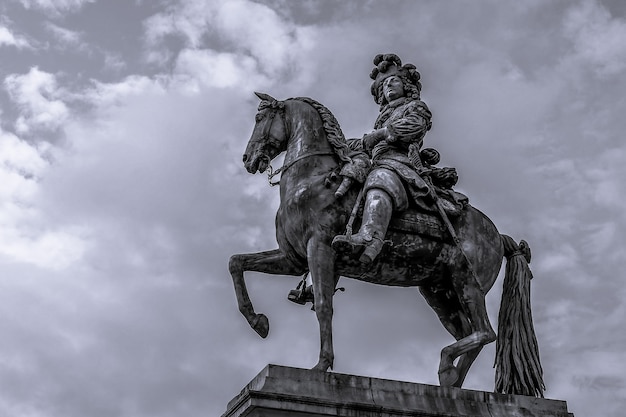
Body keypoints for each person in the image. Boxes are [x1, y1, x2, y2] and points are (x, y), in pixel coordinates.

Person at [332, 53, 435, 264]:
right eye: (385, 84)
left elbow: (415, 125)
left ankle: (370, 237)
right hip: (377, 161)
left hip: (399, 162)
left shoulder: (416, 107)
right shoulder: (383, 117)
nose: (388, 86)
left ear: (406, 85)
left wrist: (379, 135)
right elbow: (365, 143)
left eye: (393, 80)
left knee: (380, 177)